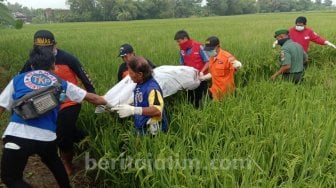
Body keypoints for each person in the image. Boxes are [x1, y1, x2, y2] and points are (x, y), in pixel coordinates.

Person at [0, 47, 108, 188]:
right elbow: (92, 98)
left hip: (17, 135)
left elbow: (1, 107)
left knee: (11, 178)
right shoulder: (61, 83)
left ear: (31, 65)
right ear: (53, 65)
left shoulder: (18, 80)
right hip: (46, 138)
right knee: (53, 160)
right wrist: (112, 103)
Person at [19, 30, 96, 175]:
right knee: (66, 130)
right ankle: (86, 140)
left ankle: (66, 163)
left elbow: (85, 78)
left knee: (62, 134)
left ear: (55, 45)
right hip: (46, 103)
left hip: (69, 102)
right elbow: (20, 78)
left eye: (46, 49)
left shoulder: (67, 58)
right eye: (40, 49)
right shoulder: (33, 61)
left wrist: (94, 97)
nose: (44, 53)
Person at [112, 56, 168, 135]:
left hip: (153, 132)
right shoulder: (140, 83)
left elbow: (157, 110)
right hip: (141, 127)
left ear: (140, 74)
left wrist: (133, 110)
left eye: (131, 73)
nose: (129, 76)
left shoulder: (152, 89)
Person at [174, 30, 209, 108]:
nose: (178, 43)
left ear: (185, 38)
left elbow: (208, 61)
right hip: (189, 78)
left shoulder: (199, 47)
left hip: (201, 78)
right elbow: (182, 63)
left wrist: (202, 72)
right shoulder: (182, 50)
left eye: (179, 41)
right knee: (189, 98)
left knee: (200, 98)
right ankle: (191, 112)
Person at [200, 36, 242, 100]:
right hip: (215, 90)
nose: (208, 51)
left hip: (226, 93)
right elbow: (214, 73)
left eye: (210, 49)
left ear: (218, 46)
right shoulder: (212, 57)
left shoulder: (227, 57)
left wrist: (238, 64)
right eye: (207, 49)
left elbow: (237, 65)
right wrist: (204, 78)